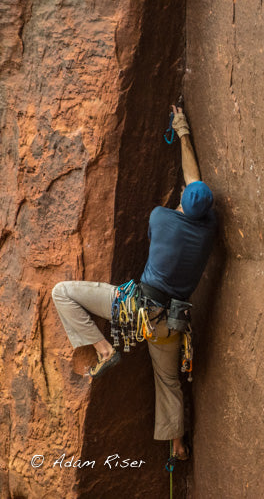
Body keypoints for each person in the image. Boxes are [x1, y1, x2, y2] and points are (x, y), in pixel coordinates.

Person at [51, 105, 215, 461]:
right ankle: (177, 445)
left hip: (136, 309)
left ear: (182, 203)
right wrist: (183, 129)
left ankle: (103, 349)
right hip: (172, 325)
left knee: (61, 293)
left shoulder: (160, 217)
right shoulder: (208, 230)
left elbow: (191, 182)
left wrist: (180, 128)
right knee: (168, 382)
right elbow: (195, 182)